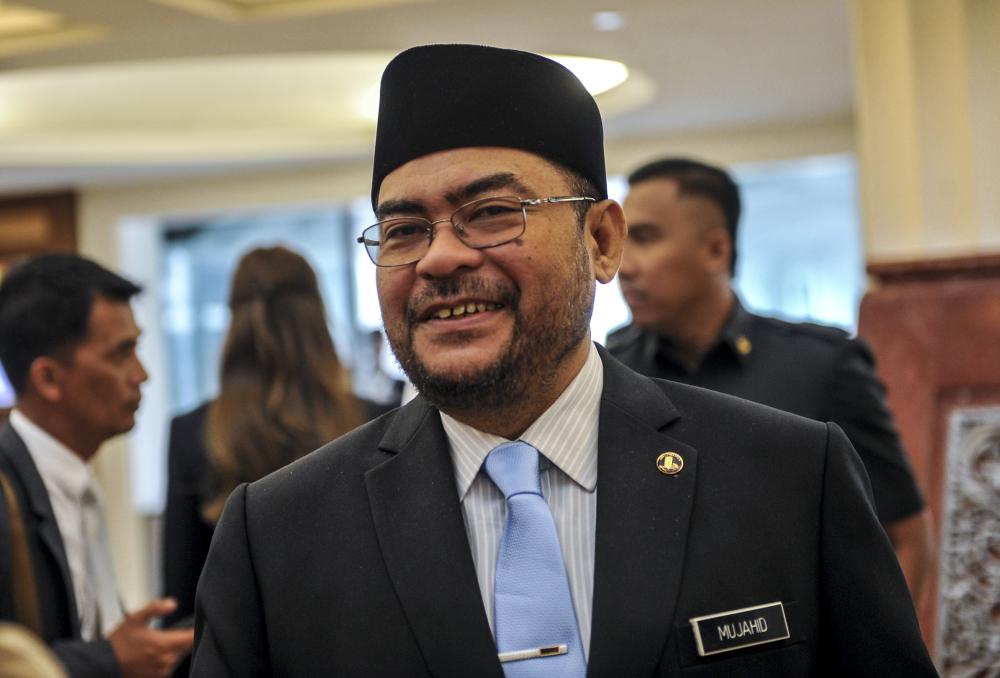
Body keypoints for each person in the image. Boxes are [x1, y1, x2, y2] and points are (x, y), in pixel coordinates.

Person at [190, 45, 936, 676]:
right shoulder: (280, 536)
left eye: (490, 213)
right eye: (404, 229)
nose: (440, 257)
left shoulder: (790, 480)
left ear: (602, 241)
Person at [607, 158, 934, 603]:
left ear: (716, 251)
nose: (623, 267)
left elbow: (907, 536)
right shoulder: (614, 373)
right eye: (623, 244)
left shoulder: (820, 366)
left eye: (645, 239)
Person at [0, 254, 193, 677]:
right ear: (48, 379)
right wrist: (109, 660)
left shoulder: (73, 477)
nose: (141, 374)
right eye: (121, 354)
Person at [162, 245, 371, 631]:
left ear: (233, 318)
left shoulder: (191, 431)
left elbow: (181, 601)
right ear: (318, 314)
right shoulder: (377, 421)